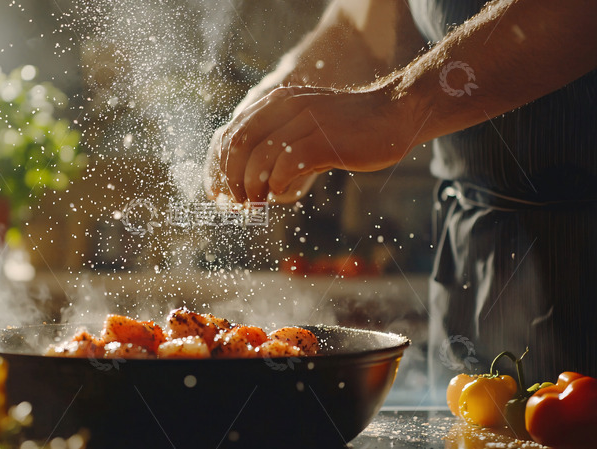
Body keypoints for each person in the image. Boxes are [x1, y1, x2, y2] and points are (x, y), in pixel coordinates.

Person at [204, 0, 597, 392]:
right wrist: (286, 94)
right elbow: (383, 12)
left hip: (583, 249)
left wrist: (399, 106)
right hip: (475, 251)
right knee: (475, 421)